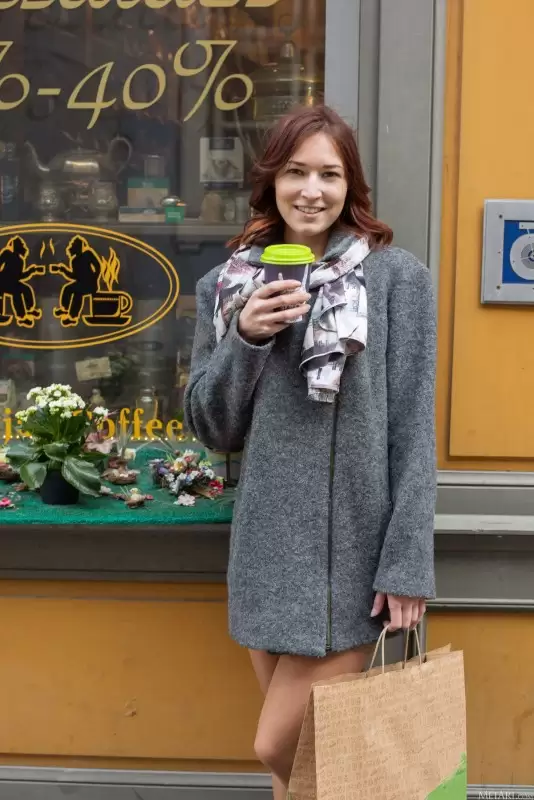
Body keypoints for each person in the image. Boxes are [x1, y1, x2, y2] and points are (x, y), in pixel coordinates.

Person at [184, 104, 436, 800]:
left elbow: (414, 430)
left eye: (329, 174)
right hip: (268, 557)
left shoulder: (397, 281)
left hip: (357, 559)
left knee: (279, 745)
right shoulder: (228, 286)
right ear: (272, 181)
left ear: (350, 186)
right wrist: (246, 338)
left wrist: (407, 564)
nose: (312, 190)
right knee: (301, 772)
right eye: (296, 172)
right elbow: (212, 427)